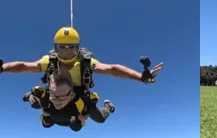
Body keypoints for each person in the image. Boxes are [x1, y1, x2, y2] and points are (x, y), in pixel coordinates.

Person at [0, 26, 164, 93]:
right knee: (47, 116)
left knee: (92, 119)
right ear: (55, 49)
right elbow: (23, 66)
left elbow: (113, 69)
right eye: (61, 48)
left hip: (79, 93)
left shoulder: (86, 62)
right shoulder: (49, 61)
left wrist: (140, 78)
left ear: (78, 48)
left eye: (71, 47)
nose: (66, 52)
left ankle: (106, 107)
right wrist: (3, 67)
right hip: (59, 94)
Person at [28, 69, 114, 132]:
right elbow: (35, 96)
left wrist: (81, 119)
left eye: (63, 96)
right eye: (54, 95)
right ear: (49, 91)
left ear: (72, 94)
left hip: (72, 116)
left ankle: (107, 107)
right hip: (56, 116)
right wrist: (29, 96)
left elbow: (78, 125)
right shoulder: (43, 97)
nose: (58, 101)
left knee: (100, 119)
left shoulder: (82, 103)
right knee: (36, 106)